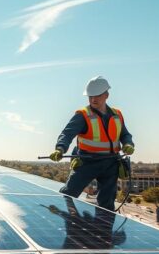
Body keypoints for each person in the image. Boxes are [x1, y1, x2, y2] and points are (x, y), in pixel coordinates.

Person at [48, 76, 135, 211]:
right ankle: (61, 221)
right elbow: (67, 133)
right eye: (90, 96)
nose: (93, 99)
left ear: (106, 95)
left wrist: (128, 144)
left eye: (98, 95)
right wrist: (60, 148)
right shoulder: (83, 115)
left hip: (111, 163)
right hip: (87, 162)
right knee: (68, 194)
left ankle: (104, 225)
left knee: (107, 204)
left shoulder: (117, 115)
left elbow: (124, 134)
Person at [46, 196, 126, 254]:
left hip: (101, 226)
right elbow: (73, 223)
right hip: (95, 226)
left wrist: (60, 212)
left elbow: (107, 246)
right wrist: (60, 210)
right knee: (104, 203)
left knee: (105, 204)